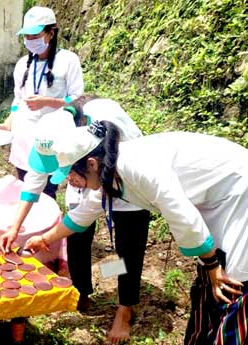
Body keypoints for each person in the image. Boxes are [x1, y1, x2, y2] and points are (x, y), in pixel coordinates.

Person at [22, 121, 248, 344]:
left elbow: (181, 215)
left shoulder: (137, 166)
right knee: (211, 276)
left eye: (70, 173)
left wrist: (211, 263)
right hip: (212, 199)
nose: (68, 181)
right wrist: (44, 238)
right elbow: (82, 215)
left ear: (91, 164)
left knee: (232, 281)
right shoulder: (109, 171)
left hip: (238, 192)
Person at [65, 98, 151, 344]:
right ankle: (81, 289)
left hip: (127, 180)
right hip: (90, 172)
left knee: (128, 247)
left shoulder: (115, 131)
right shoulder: (65, 134)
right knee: (76, 232)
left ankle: (125, 308)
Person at [0, 6, 83, 199]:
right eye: (27, 37)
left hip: (52, 137)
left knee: (47, 192)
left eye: (35, 36)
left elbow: (77, 99)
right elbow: (17, 100)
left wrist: (49, 102)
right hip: (23, 138)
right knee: (25, 186)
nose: (30, 41)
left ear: (50, 33)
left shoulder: (68, 61)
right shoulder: (22, 65)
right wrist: (8, 123)